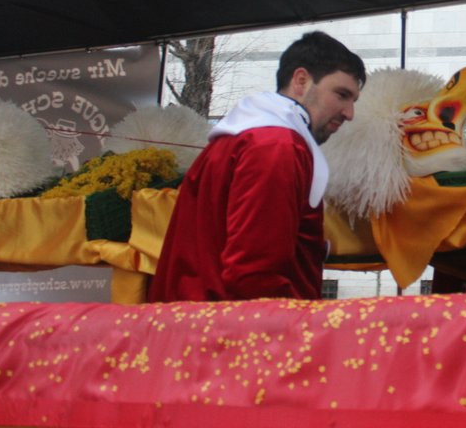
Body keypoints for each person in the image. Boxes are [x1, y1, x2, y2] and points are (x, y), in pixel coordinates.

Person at [148, 32, 365, 301]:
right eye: (342, 94)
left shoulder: (244, 137)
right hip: (237, 334)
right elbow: (256, 276)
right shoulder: (277, 146)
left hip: (198, 322)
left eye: (353, 101)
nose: (349, 113)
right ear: (301, 81)